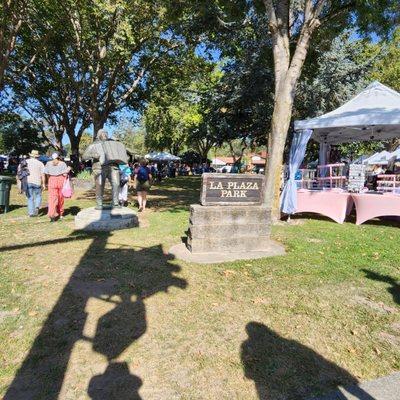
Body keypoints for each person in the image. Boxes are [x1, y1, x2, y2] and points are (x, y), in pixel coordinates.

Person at [17, 150, 46, 217]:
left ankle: (31, 213)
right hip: (37, 182)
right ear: (37, 156)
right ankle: (37, 207)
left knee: (30, 198)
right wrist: (44, 184)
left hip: (28, 181)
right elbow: (43, 175)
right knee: (38, 196)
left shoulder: (25, 162)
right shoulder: (40, 163)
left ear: (31, 155)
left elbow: (19, 171)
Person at [44, 152, 70, 222]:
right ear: (59, 157)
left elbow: (46, 173)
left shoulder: (48, 163)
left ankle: (52, 215)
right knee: (60, 198)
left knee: (52, 199)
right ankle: (60, 213)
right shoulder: (63, 163)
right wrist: (68, 169)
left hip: (51, 180)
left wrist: (48, 180)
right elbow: (65, 174)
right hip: (60, 179)